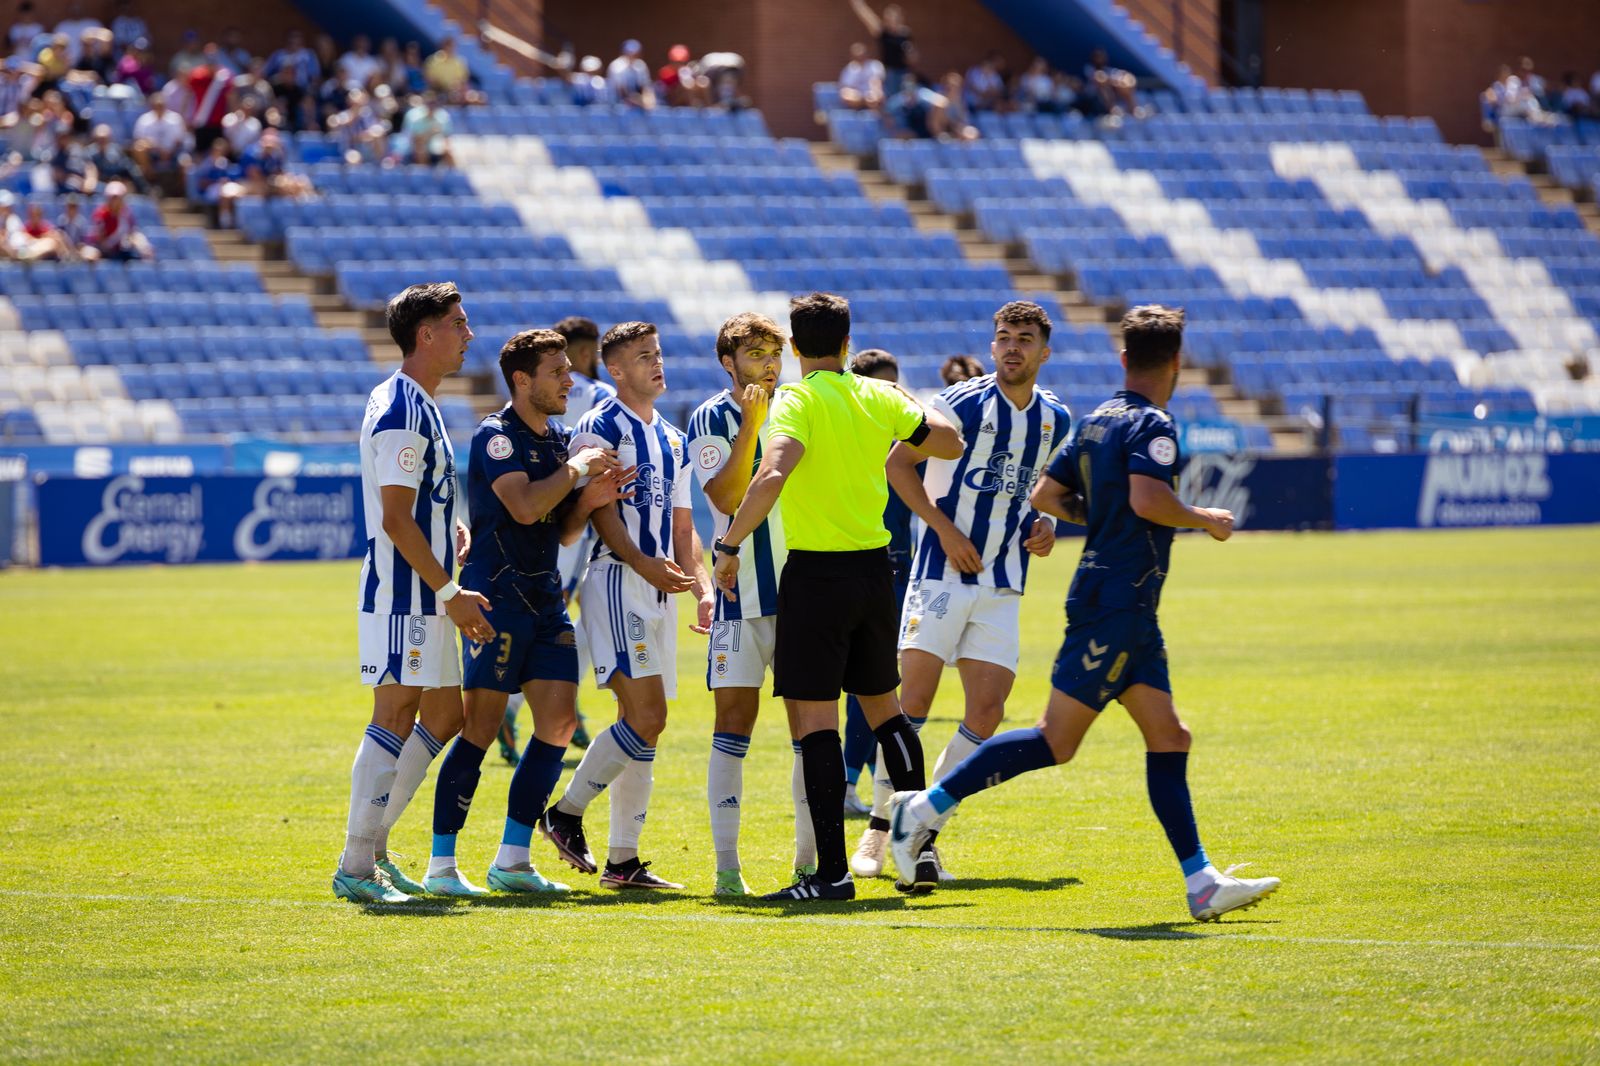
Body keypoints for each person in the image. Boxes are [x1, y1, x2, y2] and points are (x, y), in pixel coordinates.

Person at [886, 305, 1283, 923]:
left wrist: (1095, 514)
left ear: (1124, 358)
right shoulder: (1152, 424)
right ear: (1178, 362)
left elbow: (1047, 495)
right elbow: (1148, 498)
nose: (1012, 347)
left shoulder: (1096, 419)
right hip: (1114, 601)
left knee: (1170, 736)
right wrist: (1203, 518)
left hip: (1127, 604)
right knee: (1055, 739)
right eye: (1004, 338)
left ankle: (1201, 880)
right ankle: (921, 809)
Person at [711, 293, 963, 902]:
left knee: (816, 722)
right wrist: (905, 401)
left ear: (795, 347)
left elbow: (772, 473)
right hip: (875, 571)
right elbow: (950, 442)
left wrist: (729, 544)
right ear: (847, 344)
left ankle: (830, 875)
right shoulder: (878, 395)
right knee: (887, 713)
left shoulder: (797, 400)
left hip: (817, 577)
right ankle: (919, 851)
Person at [423, 329, 632, 896]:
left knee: (559, 725)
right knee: (480, 727)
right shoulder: (496, 436)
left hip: (544, 599)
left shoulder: (560, 441)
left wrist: (590, 501)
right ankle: (441, 865)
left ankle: (512, 859)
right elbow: (521, 506)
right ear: (522, 379)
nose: (569, 379)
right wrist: (577, 471)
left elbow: (561, 531)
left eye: (568, 369)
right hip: (497, 598)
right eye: (557, 371)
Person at [870, 302, 1070, 881]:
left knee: (987, 710)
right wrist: (945, 529)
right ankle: (879, 832)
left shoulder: (1055, 418)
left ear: (1043, 352)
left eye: (1024, 339)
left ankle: (922, 830)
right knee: (913, 702)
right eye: (1003, 337)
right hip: (940, 570)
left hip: (1003, 580)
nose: (1012, 347)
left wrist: (1046, 525)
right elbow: (898, 465)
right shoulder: (959, 403)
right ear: (992, 346)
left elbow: (1036, 491)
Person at [538, 321, 712, 891]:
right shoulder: (600, 425)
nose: (656, 364)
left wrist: (703, 586)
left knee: (643, 727)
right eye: (643, 357)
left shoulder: (673, 437)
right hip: (618, 579)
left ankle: (623, 862)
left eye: (657, 354)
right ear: (615, 370)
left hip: (660, 586)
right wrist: (641, 562)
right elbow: (598, 507)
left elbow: (684, 524)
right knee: (648, 716)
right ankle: (564, 812)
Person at [333, 281, 490, 903]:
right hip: (406, 593)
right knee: (394, 715)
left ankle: (374, 847)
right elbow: (396, 520)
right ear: (426, 334)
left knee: (446, 715)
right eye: (458, 323)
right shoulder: (402, 407)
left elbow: (418, 503)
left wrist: (451, 525)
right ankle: (355, 865)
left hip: (427, 590)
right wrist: (450, 591)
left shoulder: (419, 401)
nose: (468, 335)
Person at [686, 313, 808, 896]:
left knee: (809, 729)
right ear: (727, 362)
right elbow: (728, 496)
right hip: (738, 599)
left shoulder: (800, 408)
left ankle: (808, 864)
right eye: (755, 354)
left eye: (773, 353)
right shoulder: (711, 417)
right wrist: (752, 425)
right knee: (733, 726)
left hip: (803, 594)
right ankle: (727, 869)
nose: (768, 365)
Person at [839, 347, 908, 819]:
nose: (893, 393)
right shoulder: (860, 445)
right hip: (870, 569)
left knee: (878, 685)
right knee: (868, 683)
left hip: (901, 569)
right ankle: (848, 781)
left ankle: (862, 778)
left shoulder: (900, 443)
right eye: (885, 385)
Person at [848, 0, 913, 97]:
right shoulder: (883, 33)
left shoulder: (905, 34)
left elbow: (912, 57)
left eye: (896, 18)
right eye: (890, 17)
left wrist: (910, 52)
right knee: (891, 97)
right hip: (890, 72)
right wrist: (858, 4)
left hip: (904, 72)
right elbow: (868, 17)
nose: (893, 20)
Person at [129, 93, 189, 181]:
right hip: (153, 153)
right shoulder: (144, 120)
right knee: (139, 148)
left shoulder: (175, 119)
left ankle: (182, 187)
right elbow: (138, 139)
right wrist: (156, 148)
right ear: (151, 106)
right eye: (156, 106)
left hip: (174, 152)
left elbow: (180, 139)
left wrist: (169, 152)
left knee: (186, 162)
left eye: (161, 105)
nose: (159, 108)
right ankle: (151, 180)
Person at [89, 181, 153, 261]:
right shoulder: (101, 214)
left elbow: (132, 233)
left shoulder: (127, 214)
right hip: (103, 251)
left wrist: (140, 245)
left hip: (120, 251)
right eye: (112, 198)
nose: (115, 202)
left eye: (118, 198)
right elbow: (101, 241)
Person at [606, 39, 654, 110]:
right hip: (617, 102)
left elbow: (645, 87)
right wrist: (637, 101)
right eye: (630, 52)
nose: (633, 55)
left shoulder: (641, 65)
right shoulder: (616, 66)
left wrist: (648, 102)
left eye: (636, 53)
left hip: (637, 102)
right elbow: (620, 90)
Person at [838, 41, 884, 111]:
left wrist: (872, 94)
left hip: (871, 94)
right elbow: (846, 87)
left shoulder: (874, 65)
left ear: (866, 54)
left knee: (876, 96)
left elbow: (876, 83)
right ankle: (860, 109)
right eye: (856, 54)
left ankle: (876, 113)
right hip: (856, 96)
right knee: (846, 94)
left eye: (861, 54)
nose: (859, 57)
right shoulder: (849, 68)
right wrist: (858, 95)